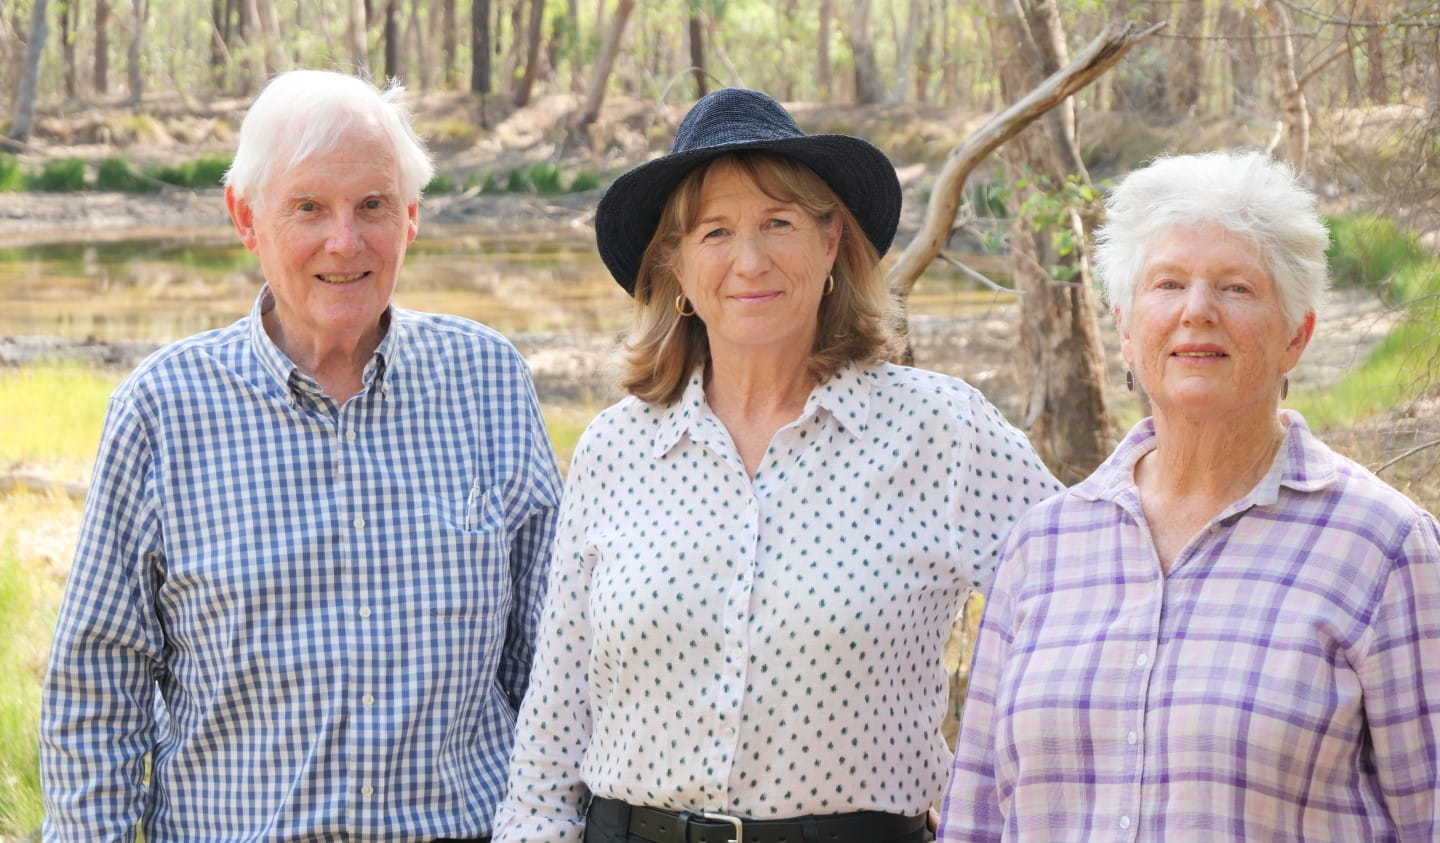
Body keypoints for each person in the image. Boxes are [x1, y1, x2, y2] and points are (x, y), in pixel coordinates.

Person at [491, 87, 1060, 843]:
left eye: (779, 223)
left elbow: (1084, 612)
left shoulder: (940, 431)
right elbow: (553, 727)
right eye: (716, 231)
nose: (750, 260)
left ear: (830, 245)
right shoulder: (615, 447)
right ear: (676, 265)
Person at [39, 69, 561, 842]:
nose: (343, 241)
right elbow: (96, 693)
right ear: (246, 218)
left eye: (373, 205)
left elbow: (551, 665)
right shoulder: (160, 409)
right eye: (308, 206)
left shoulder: (488, 379)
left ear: (411, 217)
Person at [937, 150, 1440, 841]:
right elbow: (975, 821)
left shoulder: (1384, 546)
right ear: (1124, 327)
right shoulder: (1043, 546)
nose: (1196, 312)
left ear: (1297, 334)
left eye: (1235, 287)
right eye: (1168, 284)